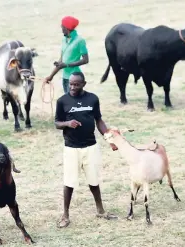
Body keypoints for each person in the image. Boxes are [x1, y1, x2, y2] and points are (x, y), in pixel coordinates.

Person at [54, 71, 118, 228]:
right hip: (71, 148)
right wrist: (67, 124)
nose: (73, 87)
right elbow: (57, 123)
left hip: (91, 146)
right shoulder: (63, 101)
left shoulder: (93, 99)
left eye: (76, 84)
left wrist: (109, 138)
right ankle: (65, 215)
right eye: (70, 84)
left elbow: (99, 120)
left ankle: (100, 210)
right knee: (69, 182)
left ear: (83, 84)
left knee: (94, 180)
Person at [44, 16, 89, 94]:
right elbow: (61, 62)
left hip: (75, 79)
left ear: (67, 28)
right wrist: (51, 76)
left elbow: (85, 60)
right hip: (65, 78)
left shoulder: (80, 41)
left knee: (73, 102)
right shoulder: (64, 40)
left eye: (62, 27)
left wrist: (67, 65)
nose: (61, 29)